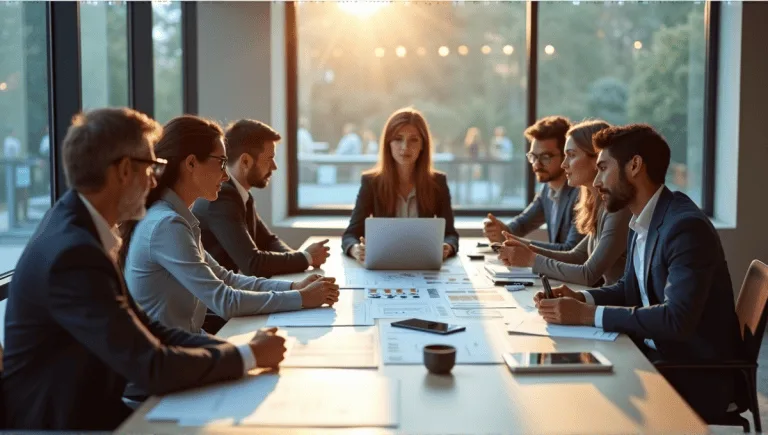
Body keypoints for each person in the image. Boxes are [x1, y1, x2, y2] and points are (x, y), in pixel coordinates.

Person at [2, 108, 289, 431]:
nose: (155, 179)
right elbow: (150, 365)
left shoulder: (75, 226)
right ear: (125, 170)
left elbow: (146, 327)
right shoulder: (75, 253)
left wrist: (239, 351)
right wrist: (247, 356)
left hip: (91, 409)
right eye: (151, 167)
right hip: (65, 425)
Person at [532, 124, 743, 421]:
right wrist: (582, 298)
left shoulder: (684, 227)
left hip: (693, 374)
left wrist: (584, 315)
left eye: (603, 168)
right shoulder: (642, 218)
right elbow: (629, 288)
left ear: (634, 166)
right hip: (655, 354)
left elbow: (676, 319)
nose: (596, 181)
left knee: (577, 398)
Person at [120, 115, 339, 339]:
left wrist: (295, 287)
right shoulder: (167, 225)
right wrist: (302, 298)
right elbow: (224, 300)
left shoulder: (178, 219)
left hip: (191, 341)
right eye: (222, 163)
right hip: (172, 356)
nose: (226, 176)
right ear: (191, 163)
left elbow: (227, 278)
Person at [498, 120, 631, 287]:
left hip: (617, 306)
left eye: (572, 155)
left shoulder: (617, 209)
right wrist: (523, 247)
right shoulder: (597, 204)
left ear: (596, 159)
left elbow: (588, 274)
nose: (564, 164)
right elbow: (576, 256)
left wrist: (530, 259)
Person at [193, 119, 330, 278]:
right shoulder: (222, 198)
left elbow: (268, 241)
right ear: (245, 161)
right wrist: (306, 258)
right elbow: (253, 264)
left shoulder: (241, 195)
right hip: (214, 300)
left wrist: (300, 259)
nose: (274, 166)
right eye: (269, 158)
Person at [342, 108, 459, 262]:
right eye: (398, 139)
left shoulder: (437, 183)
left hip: (424, 264)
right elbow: (350, 235)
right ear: (388, 144)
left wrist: (447, 247)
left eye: (413, 140)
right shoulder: (371, 182)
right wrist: (355, 250)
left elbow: (450, 235)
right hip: (384, 265)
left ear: (423, 145)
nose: (405, 147)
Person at [483, 116, 584, 251]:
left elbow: (571, 250)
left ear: (566, 155)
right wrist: (501, 230)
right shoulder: (547, 189)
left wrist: (512, 240)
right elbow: (522, 224)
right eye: (533, 157)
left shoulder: (581, 194)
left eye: (545, 157)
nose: (536, 164)